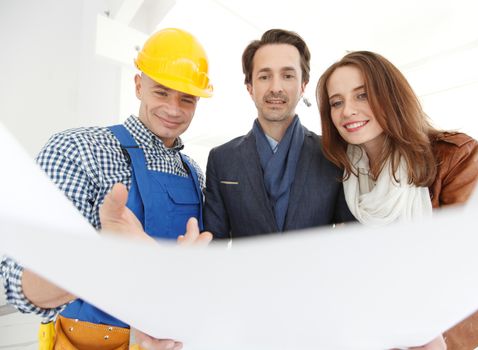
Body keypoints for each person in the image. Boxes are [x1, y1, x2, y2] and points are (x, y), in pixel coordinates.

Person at [0, 27, 213, 349]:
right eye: (161, 92)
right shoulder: (78, 149)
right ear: (139, 85)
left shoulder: (195, 174)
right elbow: (19, 276)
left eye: (187, 99)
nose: (173, 109)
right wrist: (104, 261)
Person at [316, 50, 478, 350]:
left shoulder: (454, 155)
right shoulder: (343, 175)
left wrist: (432, 331)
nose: (347, 110)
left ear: (390, 96)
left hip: (471, 335)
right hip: (396, 333)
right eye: (336, 102)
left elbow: (472, 258)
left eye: (362, 95)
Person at [204, 29, 353, 239]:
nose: (276, 87)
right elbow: (213, 244)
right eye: (264, 76)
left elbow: (352, 237)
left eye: (288, 76)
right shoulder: (221, 159)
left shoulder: (334, 154)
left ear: (303, 86)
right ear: (250, 88)